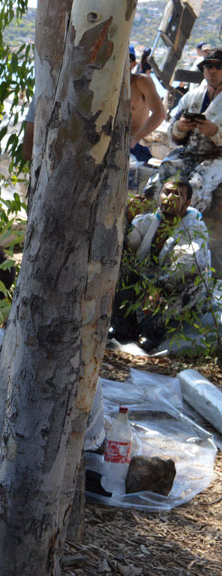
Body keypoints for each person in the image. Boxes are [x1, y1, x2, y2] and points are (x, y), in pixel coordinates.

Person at [111, 178, 212, 352]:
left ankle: (152, 333)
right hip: (149, 282)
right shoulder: (149, 221)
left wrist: (159, 287)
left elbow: (187, 264)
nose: (170, 198)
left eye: (177, 194)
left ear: (187, 203)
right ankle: (124, 326)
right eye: (167, 193)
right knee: (122, 265)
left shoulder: (195, 228)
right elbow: (127, 246)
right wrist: (127, 219)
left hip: (173, 286)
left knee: (189, 277)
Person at [144, 48, 222, 212]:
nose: (213, 71)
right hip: (189, 152)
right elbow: (173, 129)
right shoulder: (191, 96)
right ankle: (149, 221)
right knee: (159, 179)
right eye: (208, 66)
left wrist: (215, 132)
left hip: (217, 158)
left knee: (196, 186)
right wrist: (180, 128)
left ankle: (186, 229)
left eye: (219, 66)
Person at [129, 45, 167, 165]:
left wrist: (134, 139)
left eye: (126, 59)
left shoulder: (141, 82)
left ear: (133, 64)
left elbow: (160, 113)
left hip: (131, 146)